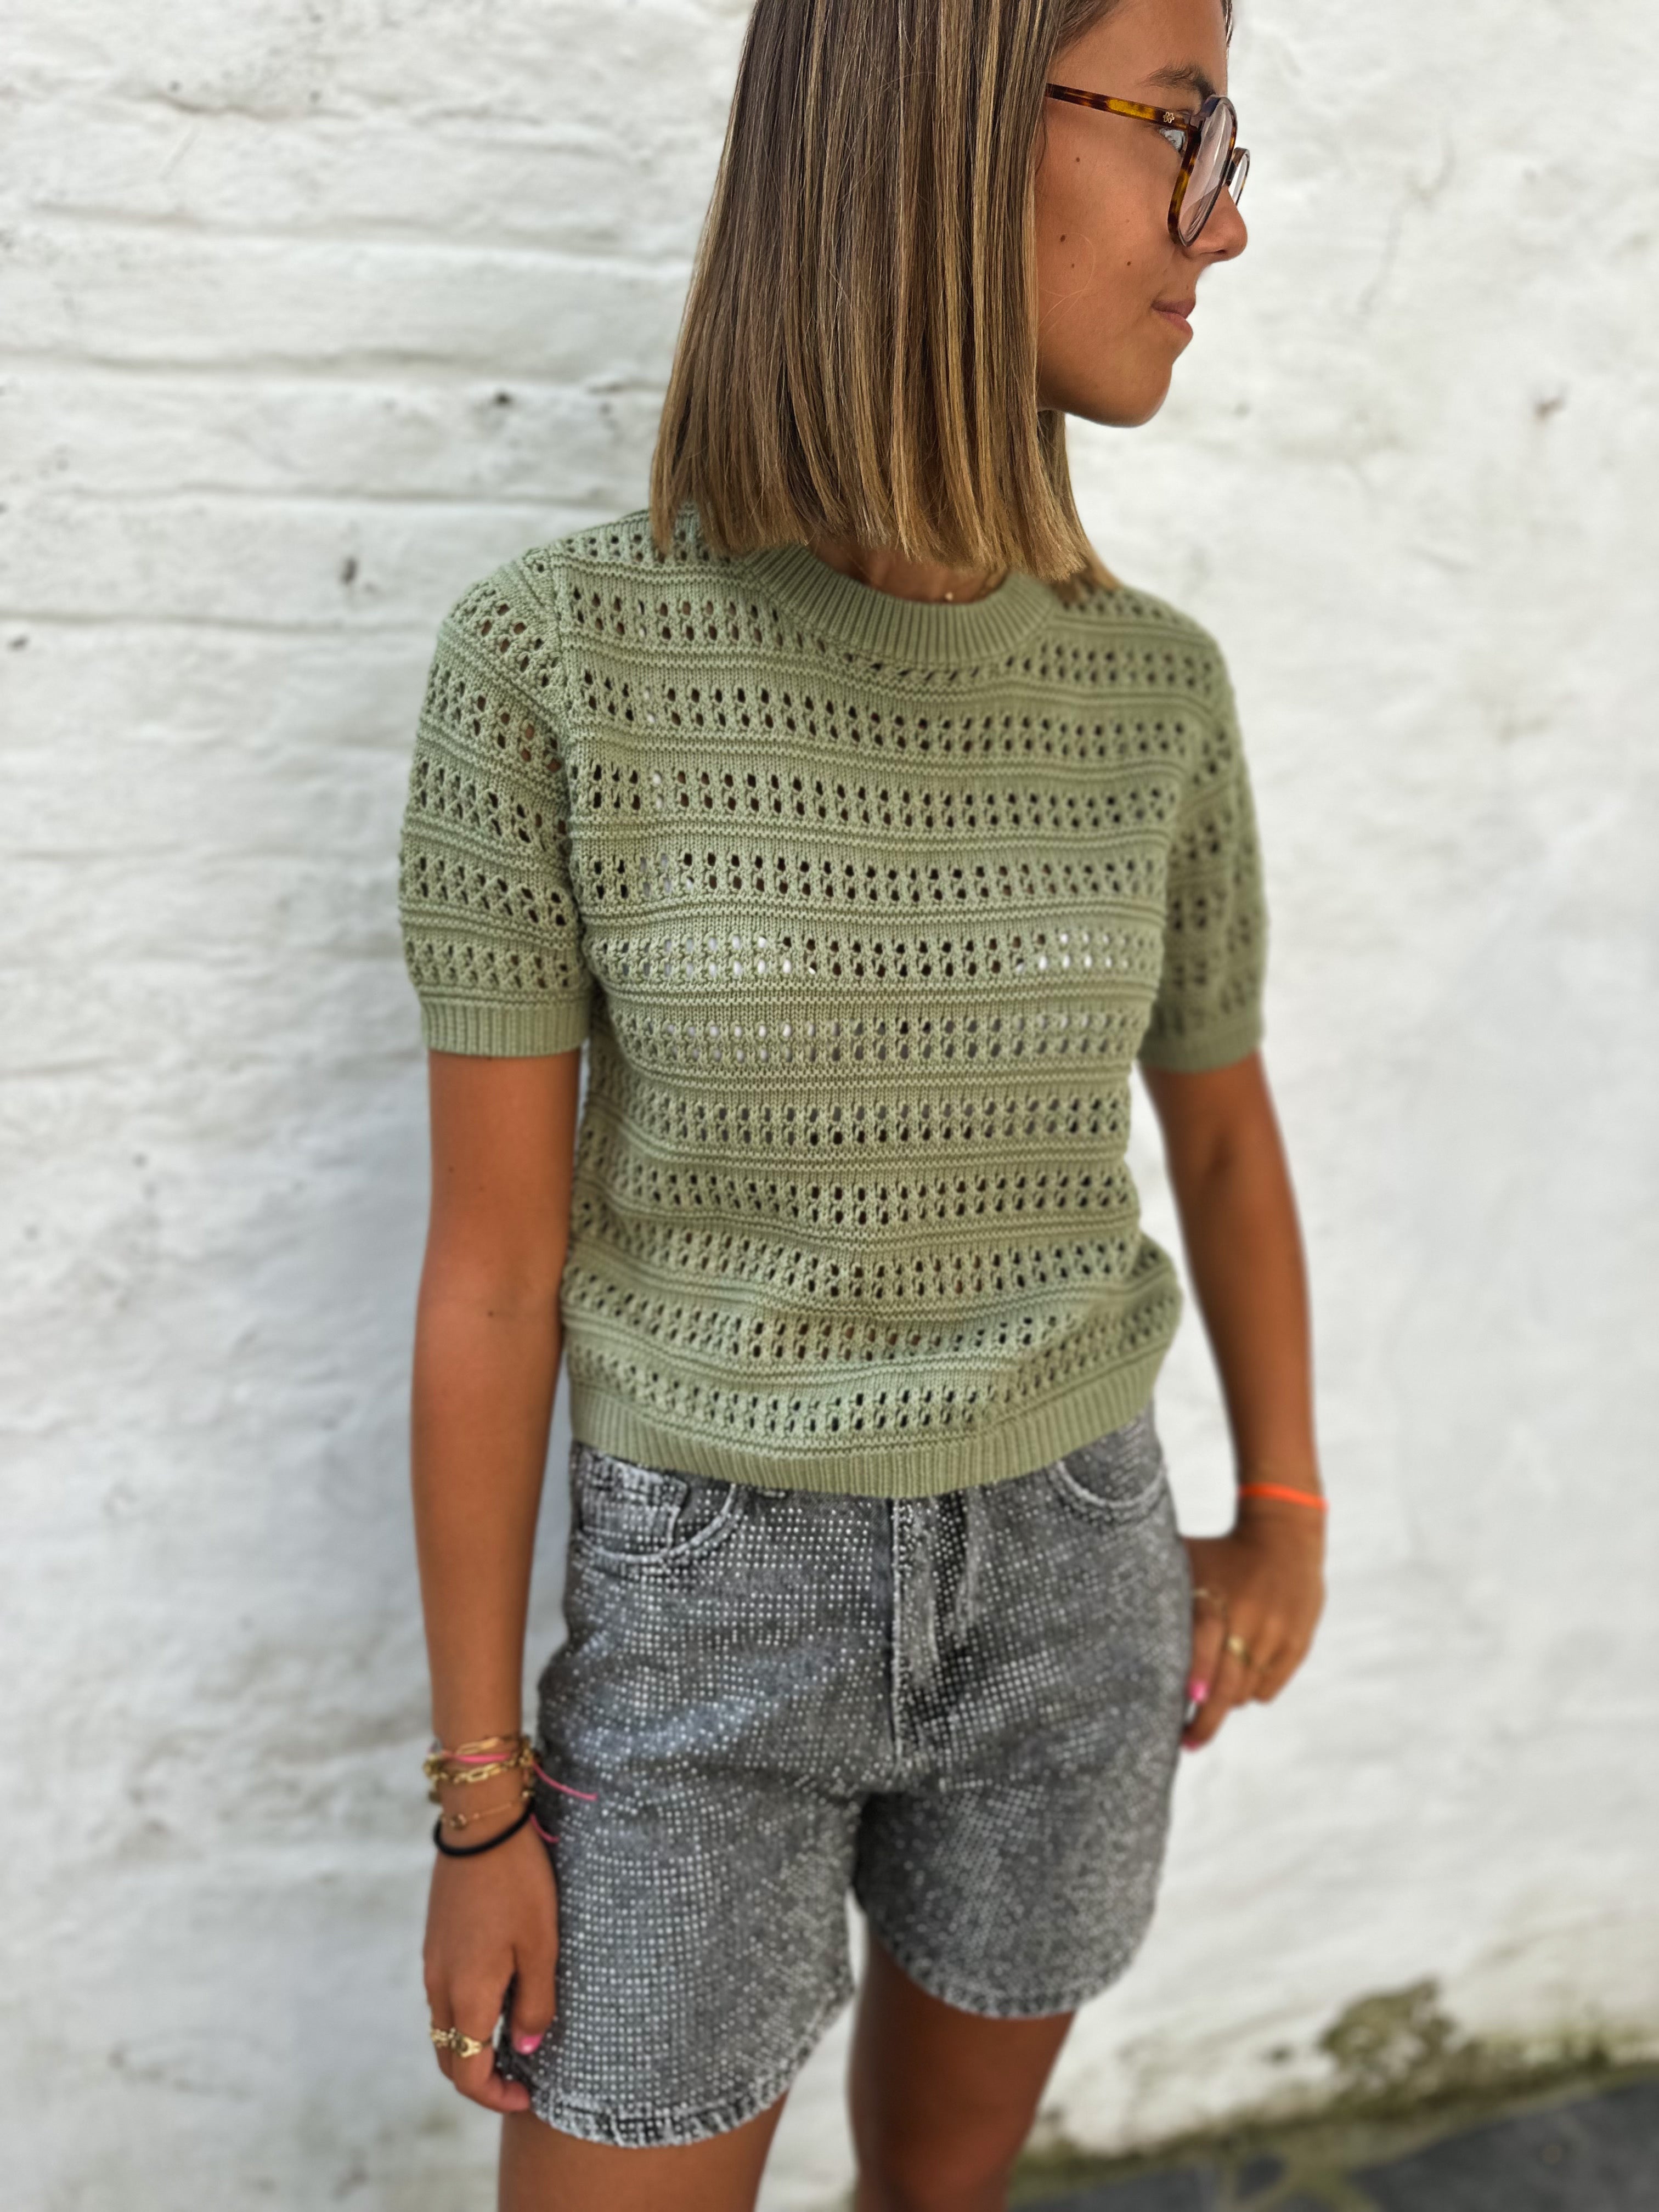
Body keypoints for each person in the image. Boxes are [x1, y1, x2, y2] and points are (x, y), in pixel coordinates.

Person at [397, 0, 1325, 2205]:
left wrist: (1281, 1502)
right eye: (1184, 130)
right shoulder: (555, 667)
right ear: (938, 125)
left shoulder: (1155, 692)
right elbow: (497, 1270)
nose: (1225, 223)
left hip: (1078, 1578)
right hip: (702, 1616)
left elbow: (1218, 1121)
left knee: (941, 2193)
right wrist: (482, 1799)